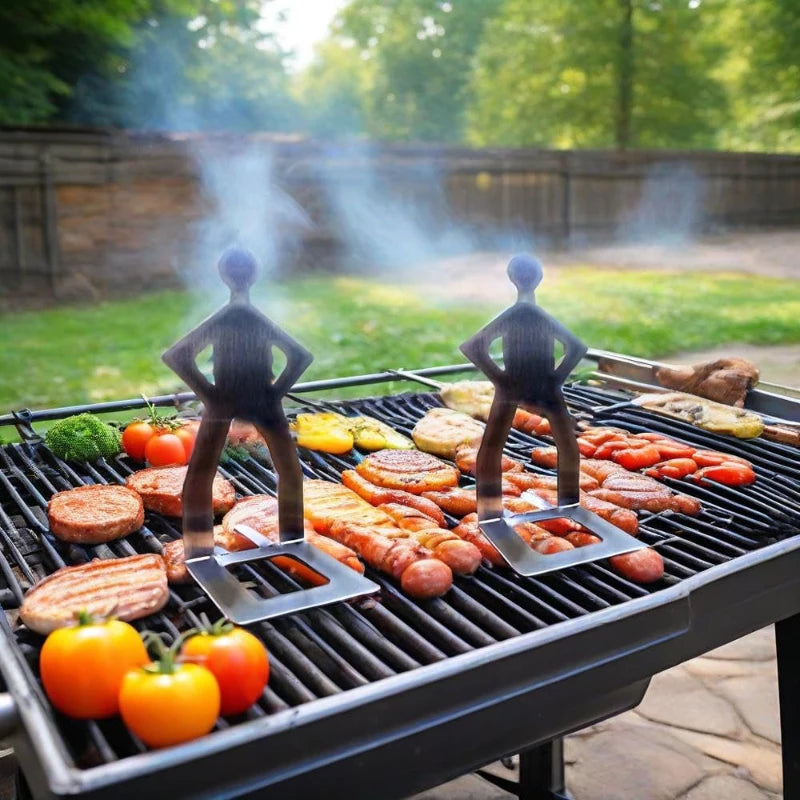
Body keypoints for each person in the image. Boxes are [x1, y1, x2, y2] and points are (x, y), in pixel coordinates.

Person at [162, 247, 312, 556]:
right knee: (289, 470)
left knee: (201, 474)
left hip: (224, 401)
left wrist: (209, 393)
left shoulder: (226, 317)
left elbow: (177, 356)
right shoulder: (254, 318)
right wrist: (275, 391)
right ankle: (292, 536)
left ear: (223, 276)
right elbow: (300, 357)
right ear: (253, 276)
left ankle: (199, 549)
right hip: (261, 400)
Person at [460, 254, 587, 521]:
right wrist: (556, 377)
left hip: (512, 385)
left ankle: (491, 510)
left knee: (492, 446)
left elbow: (474, 347)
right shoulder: (537, 314)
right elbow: (576, 348)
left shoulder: (515, 314)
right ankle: (568, 502)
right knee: (566, 444)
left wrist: (500, 378)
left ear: (512, 279)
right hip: (545, 385)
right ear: (538, 279)